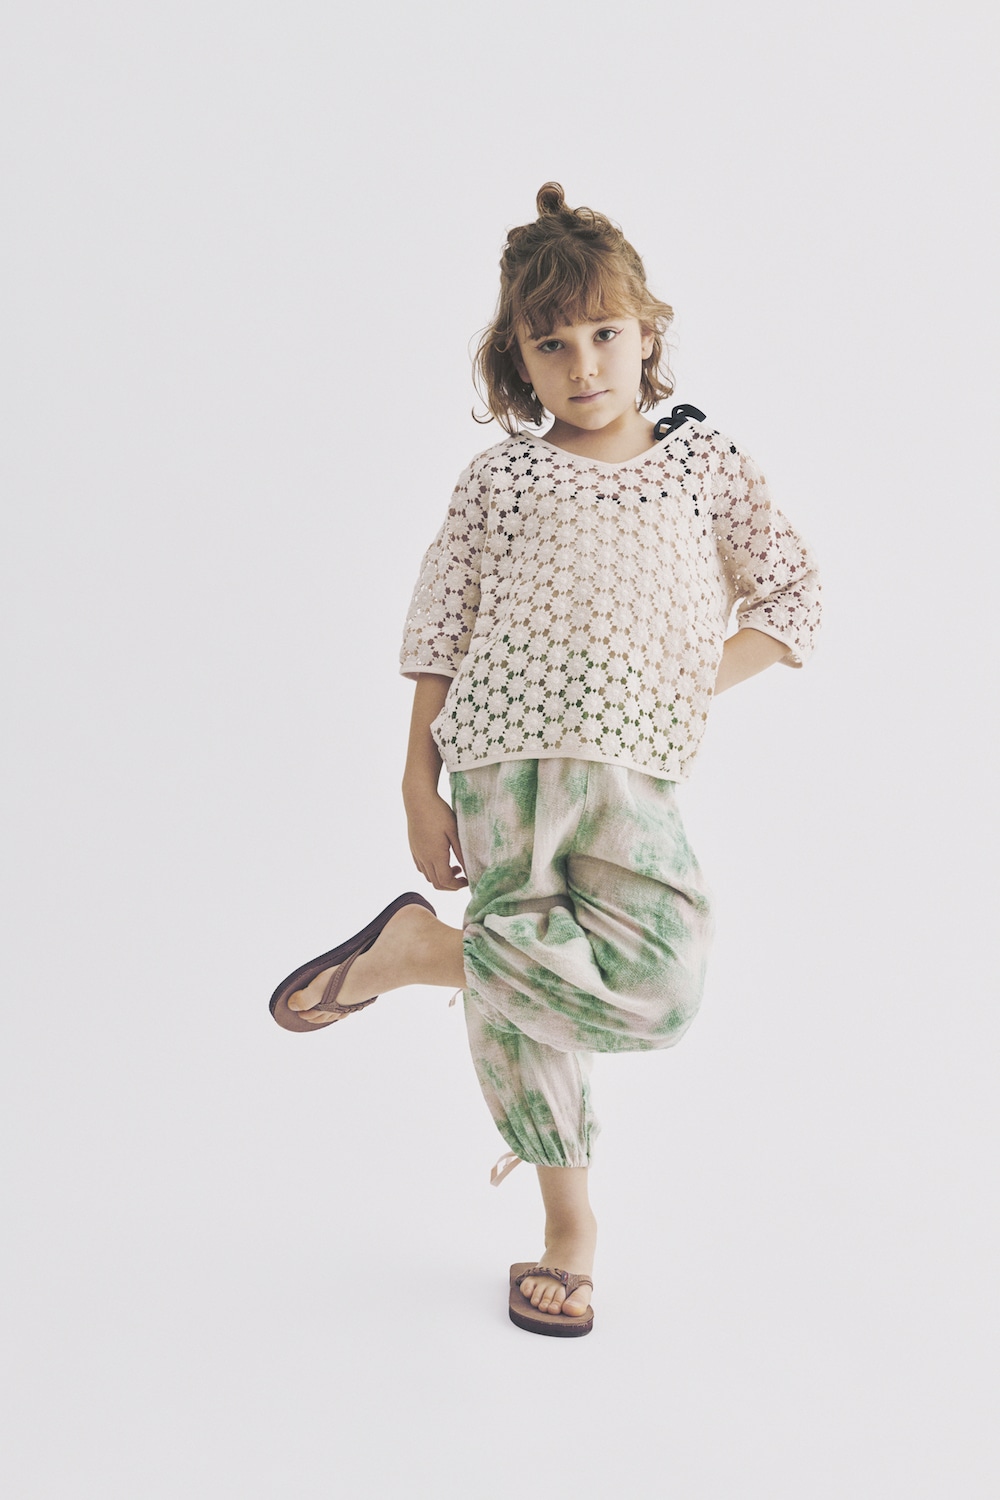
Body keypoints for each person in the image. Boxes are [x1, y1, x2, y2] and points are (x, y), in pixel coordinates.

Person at [269, 182, 823, 1337]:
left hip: (631, 771)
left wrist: (681, 683)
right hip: (498, 764)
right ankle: (568, 1233)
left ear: (648, 333)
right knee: (526, 1015)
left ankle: (421, 954)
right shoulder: (500, 479)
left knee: (661, 989)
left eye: (605, 334)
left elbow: (792, 597)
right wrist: (414, 784)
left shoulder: (702, 461)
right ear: (516, 357)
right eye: (552, 343)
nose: (584, 365)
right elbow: (440, 629)